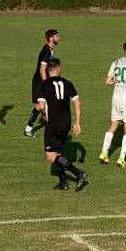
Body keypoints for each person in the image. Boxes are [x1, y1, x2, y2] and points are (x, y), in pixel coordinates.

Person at [37, 58, 87, 191]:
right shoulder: (68, 83)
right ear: (58, 69)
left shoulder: (44, 85)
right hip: (66, 123)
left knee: (50, 156)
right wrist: (77, 123)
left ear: (48, 70)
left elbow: (41, 106)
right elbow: (78, 103)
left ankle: (78, 173)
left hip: (53, 123)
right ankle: (63, 183)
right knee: (58, 152)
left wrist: (43, 115)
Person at [25, 29, 60, 137]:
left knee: (41, 106)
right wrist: (47, 83)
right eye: (56, 36)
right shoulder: (46, 51)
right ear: (51, 38)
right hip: (40, 82)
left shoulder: (50, 50)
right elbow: (42, 69)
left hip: (41, 81)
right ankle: (50, 125)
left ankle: (30, 128)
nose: (58, 38)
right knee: (42, 105)